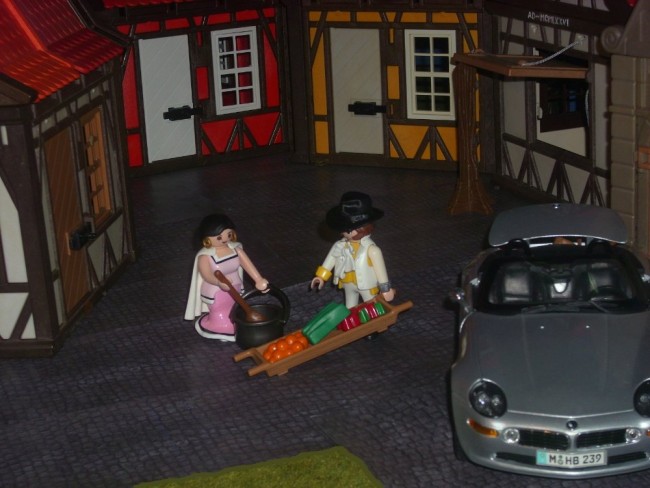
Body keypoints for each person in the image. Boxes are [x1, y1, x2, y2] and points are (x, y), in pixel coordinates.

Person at [185, 214, 269, 341]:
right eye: (219, 237)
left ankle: (233, 322)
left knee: (235, 307)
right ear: (207, 238)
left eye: (228, 234)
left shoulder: (235, 250)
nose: (225, 239)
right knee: (220, 312)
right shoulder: (205, 256)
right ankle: (219, 325)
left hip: (235, 287)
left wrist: (258, 279)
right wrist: (218, 282)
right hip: (215, 291)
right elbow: (207, 275)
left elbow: (247, 264)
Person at [310, 191, 395, 308]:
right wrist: (321, 277)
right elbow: (331, 260)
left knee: (372, 307)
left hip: (366, 285)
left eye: (348, 229)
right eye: (343, 228)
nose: (345, 232)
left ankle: (375, 318)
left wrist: (385, 289)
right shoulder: (339, 245)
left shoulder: (372, 250)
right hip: (347, 283)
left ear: (363, 228)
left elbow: (381, 271)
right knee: (350, 307)